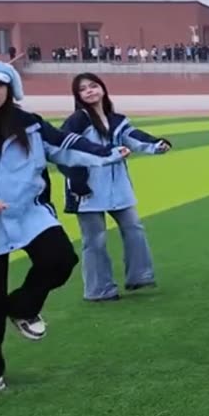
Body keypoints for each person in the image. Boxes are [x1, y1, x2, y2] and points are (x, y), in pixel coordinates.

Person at [0, 59, 129, 393]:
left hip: (28, 212)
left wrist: (106, 153)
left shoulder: (29, 124)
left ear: (10, 89)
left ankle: (22, 308)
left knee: (59, 259)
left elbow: (64, 146)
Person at [56, 73, 171, 302]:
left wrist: (157, 145)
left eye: (93, 86)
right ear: (77, 96)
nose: (89, 91)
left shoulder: (117, 119)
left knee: (134, 227)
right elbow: (63, 152)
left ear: (102, 89)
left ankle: (139, 276)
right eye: (83, 89)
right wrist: (77, 183)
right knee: (95, 239)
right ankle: (99, 289)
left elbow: (134, 137)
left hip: (118, 187)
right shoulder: (77, 120)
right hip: (87, 189)